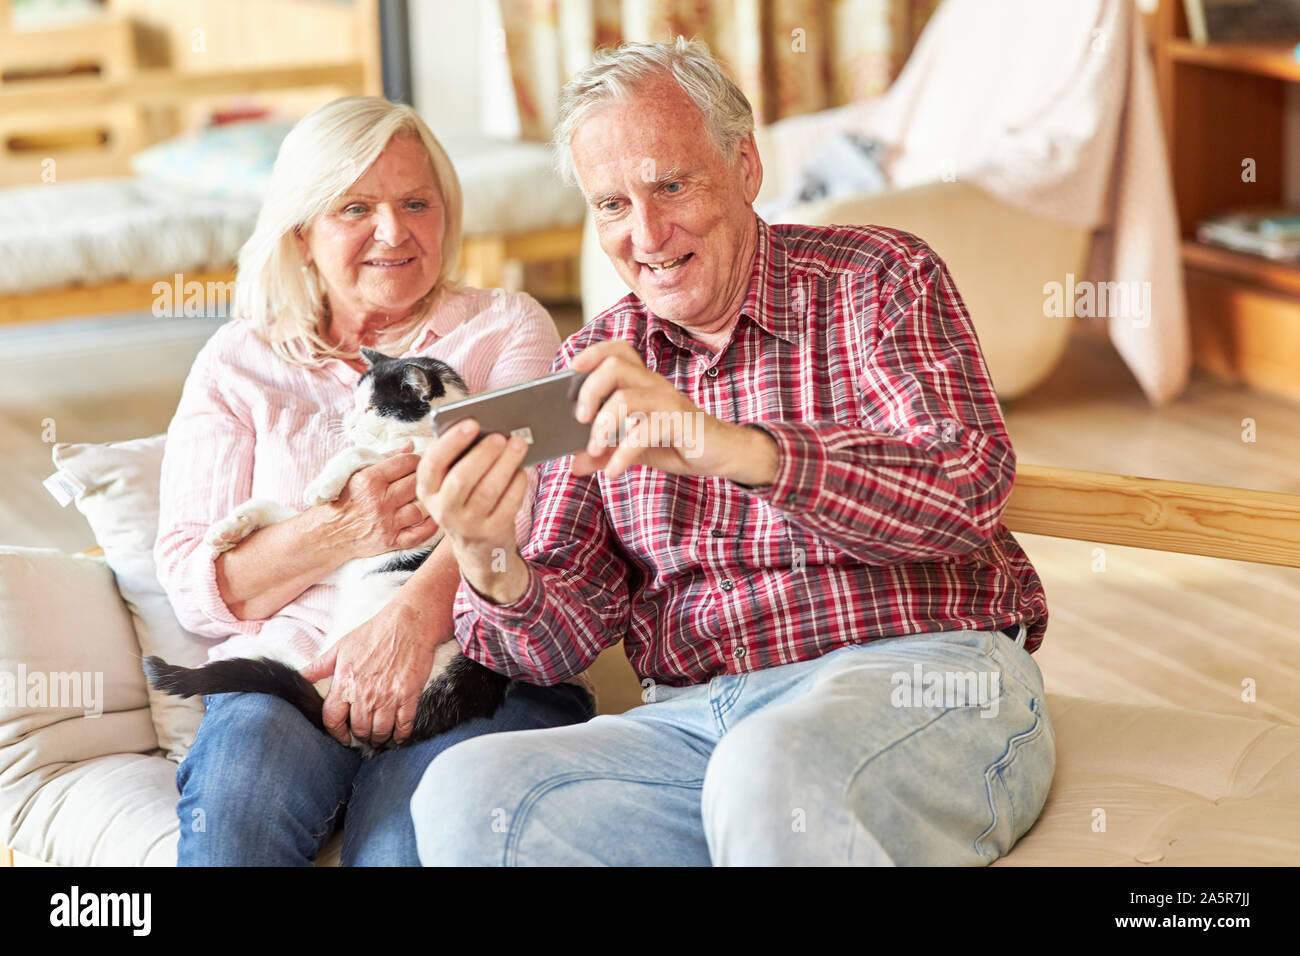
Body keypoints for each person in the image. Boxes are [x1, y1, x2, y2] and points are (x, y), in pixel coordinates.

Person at [409, 39, 1055, 866]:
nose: (645, 234)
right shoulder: (596, 358)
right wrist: (485, 552)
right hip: (696, 724)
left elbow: (967, 489)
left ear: (745, 165)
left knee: (768, 768)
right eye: (611, 205)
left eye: (671, 185)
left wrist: (731, 449)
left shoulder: (878, 277)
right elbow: (557, 642)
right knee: (467, 795)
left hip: (923, 678)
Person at [154, 96, 594, 867]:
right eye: (356, 207)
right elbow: (202, 584)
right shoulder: (237, 362)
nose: (394, 232)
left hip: (472, 664)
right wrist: (344, 529)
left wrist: (412, 619)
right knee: (234, 825)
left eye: (416, 203)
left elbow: (528, 507)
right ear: (302, 232)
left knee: (400, 848)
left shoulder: (505, 326)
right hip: (295, 668)